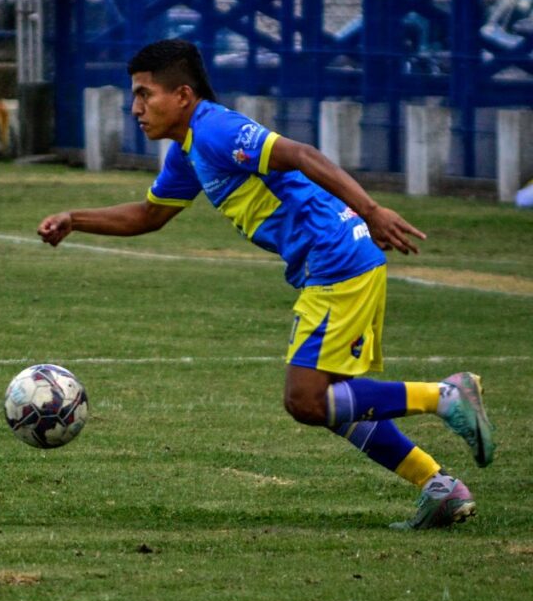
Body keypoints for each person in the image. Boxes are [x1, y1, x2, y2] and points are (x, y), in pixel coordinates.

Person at [37, 39, 495, 530]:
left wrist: (372, 208)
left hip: (335, 258)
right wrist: (75, 219)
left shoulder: (216, 129)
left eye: (145, 95)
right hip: (333, 261)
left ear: (184, 95)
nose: (136, 108)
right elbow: (149, 215)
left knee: (306, 401)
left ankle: (445, 396)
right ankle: (440, 488)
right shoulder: (187, 154)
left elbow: (299, 153)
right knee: (336, 403)